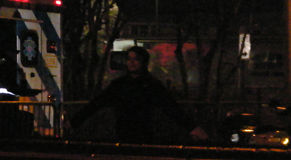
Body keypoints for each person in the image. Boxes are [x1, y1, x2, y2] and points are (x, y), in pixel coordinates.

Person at [68, 46, 208, 144]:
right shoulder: (119, 85)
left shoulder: (151, 85)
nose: (132, 62)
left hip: (144, 135)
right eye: (129, 59)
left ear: (143, 62)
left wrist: (192, 127)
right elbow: (95, 104)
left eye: (136, 59)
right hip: (123, 134)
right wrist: (75, 122)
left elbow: (171, 108)